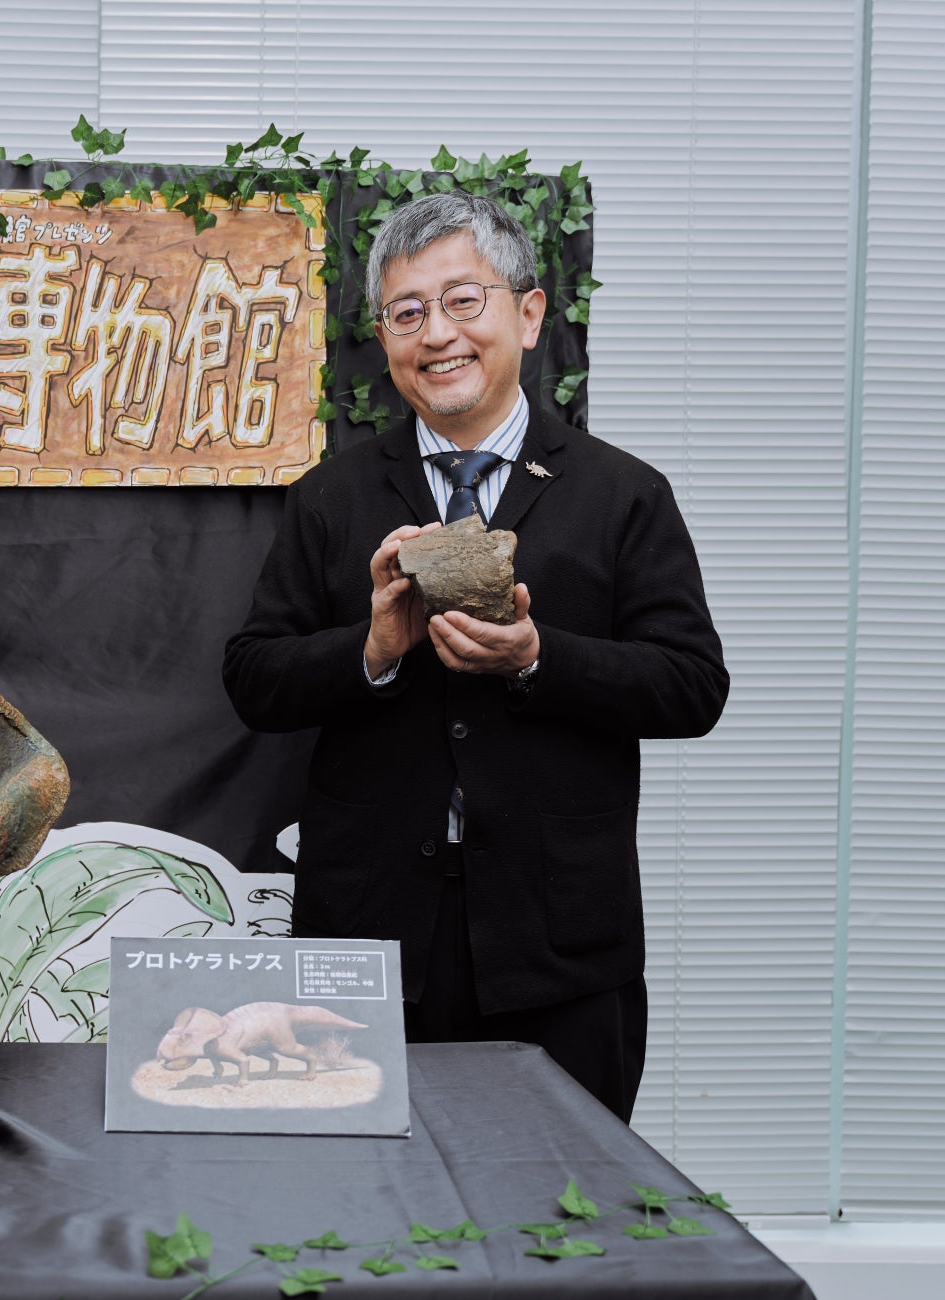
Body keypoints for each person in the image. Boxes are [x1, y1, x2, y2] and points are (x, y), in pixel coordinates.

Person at [221, 189, 728, 1121]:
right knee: (368, 1190)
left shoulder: (623, 495)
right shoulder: (332, 498)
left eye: (463, 301)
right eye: (407, 312)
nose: (437, 334)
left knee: (561, 1190)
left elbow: (692, 686)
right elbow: (254, 678)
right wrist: (374, 648)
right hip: (367, 940)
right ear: (385, 339)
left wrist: (536, 657)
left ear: (528, 316)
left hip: (559, 940)